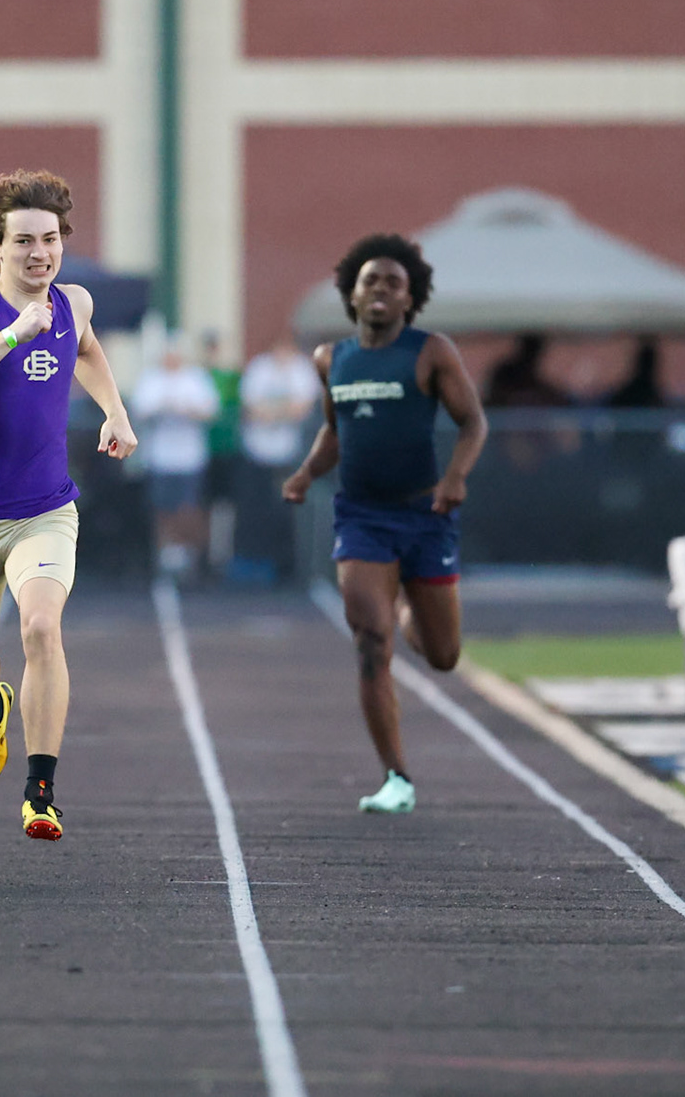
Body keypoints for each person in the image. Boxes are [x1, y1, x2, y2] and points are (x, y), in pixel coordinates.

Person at [0, 169, 136, 841]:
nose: (39, 253)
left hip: (45, 512)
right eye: (24, 242)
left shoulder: (75, 303)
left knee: (42, 628)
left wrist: (114, 413)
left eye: (49, 240)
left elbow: (91, 353)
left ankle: (40, 793)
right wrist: (14, 334)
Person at [283, 234, 487, 814]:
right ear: (352, 292)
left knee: (444, 655)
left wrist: (455, 478)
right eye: (370, 280)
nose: (380, 290)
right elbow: (334, 430)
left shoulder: (431, 352)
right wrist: (304, 474)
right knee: (371, 644)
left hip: (426, 516)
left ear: (409, 301)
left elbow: (473, 423)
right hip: (363, 517)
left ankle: (405, 607)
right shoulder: (331, 358)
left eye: (394, 284)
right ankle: (397, 777)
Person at [232, 329, 320, 582]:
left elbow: (301, 409)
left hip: (289, 456)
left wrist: (273, 411)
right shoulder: (259, 369)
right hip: (258, 454)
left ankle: (287, 568)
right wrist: (279, 410)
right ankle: (255, 566)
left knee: (286, 514)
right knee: (256, 513)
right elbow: (251, 409)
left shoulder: (301, 370)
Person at [131, 338, 219, 578]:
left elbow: (210, 412)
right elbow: (139, 410)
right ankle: (165, 555)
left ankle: (190, 555)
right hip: (160, 457)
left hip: (189, 457)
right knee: (161, 508)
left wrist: (186, 410)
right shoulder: (151, 379)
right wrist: (162, 407)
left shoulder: (196, 378)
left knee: (189, 507)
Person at [198, 330, 242, 569]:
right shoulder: (197, 376)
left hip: (226, 449)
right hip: (202, 450)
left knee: (224, 505)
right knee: (203, 504)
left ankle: (222, 554)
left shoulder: (232, 378)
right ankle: (205, 553)